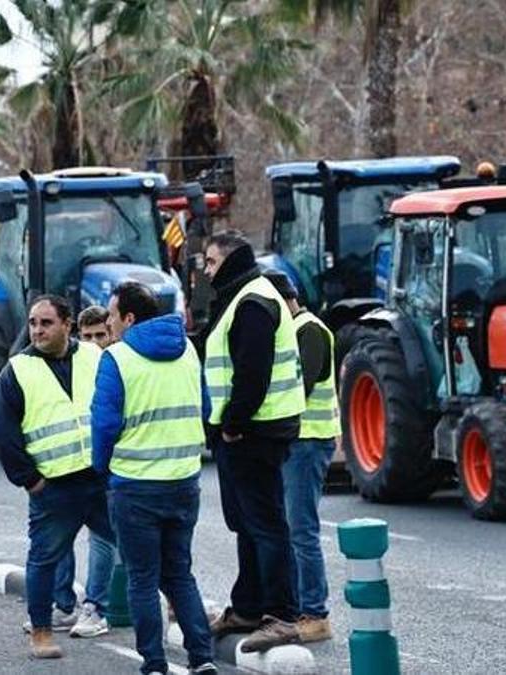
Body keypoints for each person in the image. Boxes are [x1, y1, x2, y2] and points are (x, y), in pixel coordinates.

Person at [92, 282, 217, 675]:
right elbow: (205, 407)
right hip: (184, 482)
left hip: (135, 485)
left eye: (111, 315)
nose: (108, 323)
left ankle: (155, 662)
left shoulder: (117, 358)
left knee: (143, 579)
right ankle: (202, 658)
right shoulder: (188, 351)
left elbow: (105, 423)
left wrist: (102, 468)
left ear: (129, 318)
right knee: (179, 572)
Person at [0, 295, 117, 660]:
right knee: (44, 560)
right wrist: (30, 480)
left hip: (99, 479)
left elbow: (115, 406)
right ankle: (42, 632)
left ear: (67, 325)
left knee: (140, 546)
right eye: (33, 323)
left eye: (46, 323)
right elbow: (5, 432)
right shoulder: (18, 370)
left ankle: (170, 610)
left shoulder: (95, 357)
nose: (38, 330)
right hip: (54, 486)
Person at [202, 230, 306, 652]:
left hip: (254, 431)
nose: (206, 271)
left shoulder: (253, 300)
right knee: (247, 524)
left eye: (210, 262)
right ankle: (247, 607)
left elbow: (252, 370)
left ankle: (282, 615)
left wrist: (233, 422)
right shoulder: (242, 295)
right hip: (246, 430)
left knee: (265, 525)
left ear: (228, 260)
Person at [30, 303, 119, 640]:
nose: (95, 342)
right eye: (89, 336)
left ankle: (97, 605)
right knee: (59, 540)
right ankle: (64, 603)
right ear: (75, 333)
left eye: (101, 335)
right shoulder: (61, 364)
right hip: (61, 470)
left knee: (106, 539)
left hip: (101, 471)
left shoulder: (109, 365)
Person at [265, 272, 338, 644]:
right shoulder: (295, 329)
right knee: (290, 528)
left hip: (308, 441)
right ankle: (295, 608)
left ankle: (315, 613)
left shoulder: (308, 330)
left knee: (301, 530)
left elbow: (299, 387)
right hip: (296, 441)